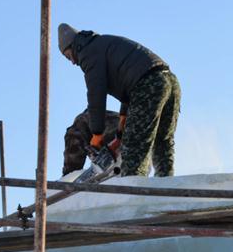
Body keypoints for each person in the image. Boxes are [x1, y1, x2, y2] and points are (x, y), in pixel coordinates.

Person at [58, 23, 181, 177]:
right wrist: (121, 130)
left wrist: (96, 135)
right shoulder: (104, 44)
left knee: (134, 149)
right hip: (169, 81)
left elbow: (96, 94)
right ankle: (165, 184)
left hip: (148, 86)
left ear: (73, 46)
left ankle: (133, 191)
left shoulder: (88, 53)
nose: (72, 62)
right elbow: (129, 84)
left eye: (69, 56)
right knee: (162, 142)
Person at [61, 109, 120, 176]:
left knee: (76, 132)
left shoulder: (83, 120)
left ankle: (69, 175)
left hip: (114, 134)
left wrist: (68, 175)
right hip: (123, 131)